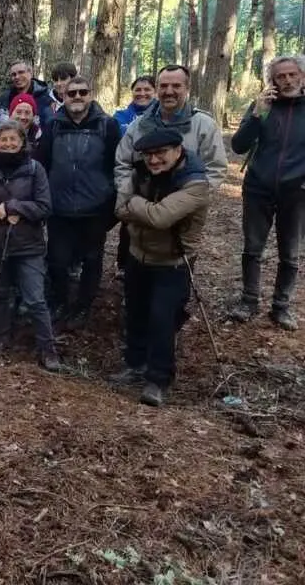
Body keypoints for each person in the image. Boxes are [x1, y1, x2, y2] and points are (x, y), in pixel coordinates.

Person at [111, 129, 211, 407]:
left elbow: (160, 217)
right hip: (138, 255)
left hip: (173, 263)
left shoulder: (195, 183)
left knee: (162, 318)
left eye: (160, 153)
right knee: (136, 312)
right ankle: (135, 363)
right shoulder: (139, 171)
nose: (154, 160)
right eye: (149, 155)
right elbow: (119, 208)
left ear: (177, 150)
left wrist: (136, 205)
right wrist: (142, 208)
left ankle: (158, 379)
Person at [0, 121, 61, 371]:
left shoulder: (34, 169)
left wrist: (13, 207)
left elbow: (44, 206)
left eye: (13, 139)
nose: (8, 144)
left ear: (22, 141)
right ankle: (0, 338)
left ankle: (48, 349)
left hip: (28, 246)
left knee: (35, 298)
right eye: (3, 140)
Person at [228, 55, 305, 331]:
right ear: (272, 80)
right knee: (252, 248)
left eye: (292, 75)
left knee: (291, 253)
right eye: (280, 76)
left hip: (296, 192)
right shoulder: (263, 107)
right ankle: (249, 301)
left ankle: (281, 306)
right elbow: (238, 146)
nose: (286, 81)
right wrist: (258, 113)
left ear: (302, 77)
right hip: (258, 187)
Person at [37, 76, 121, 329]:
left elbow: (116, 166)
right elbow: (43, 163)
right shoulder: (53, 126)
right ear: (63, 96)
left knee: (92, 260)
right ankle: (60, 302)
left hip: (95, 208)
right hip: (59, 208)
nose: (76, 97)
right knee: (57, 260)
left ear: (90, 95)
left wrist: (110, 203)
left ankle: (83, 307)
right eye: (71, 93)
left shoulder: (108, 126)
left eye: (82, 92)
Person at [115, 64, 228, 195]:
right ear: (157, 89)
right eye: (163, 86)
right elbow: (122, 164)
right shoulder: (138, 125)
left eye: (176, 86)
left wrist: (189, 199)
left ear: (187, 88)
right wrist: (128, 197)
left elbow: (216, 168)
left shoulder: (204, 125)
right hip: (141, 206)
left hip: (185, 209)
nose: (169, 91)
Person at [114, 75, 158, 278]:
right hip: (132, 176)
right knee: (129, 221)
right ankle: (124, 264)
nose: (142, 93)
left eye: (147, 89)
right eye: (137, 90)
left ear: (155, 92)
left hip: (159, 176)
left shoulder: (163, 115)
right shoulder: (121, 116)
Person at [0, 62, 55, 128]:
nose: (17, 77)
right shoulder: (5, 98)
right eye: (13, 74)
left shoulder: (45, 95)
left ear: (30, 73)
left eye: (21, 72)